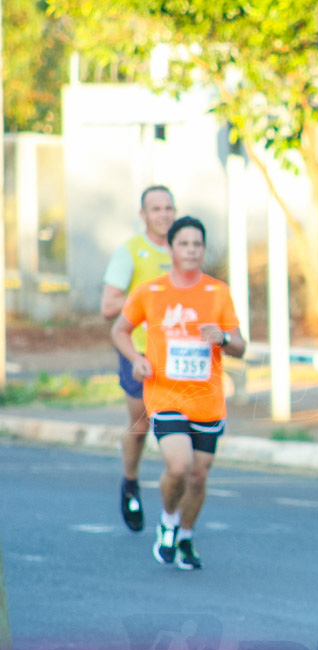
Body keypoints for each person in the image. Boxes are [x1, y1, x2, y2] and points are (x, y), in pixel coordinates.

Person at [111, 216, 246, 570]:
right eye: (184, 244)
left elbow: (241, 345)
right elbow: (120, 330)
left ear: (203, 250)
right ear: (171, 248)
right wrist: (135, 359)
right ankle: (168, 520)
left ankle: (184, 536)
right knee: (179, 465)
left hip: (207, 400)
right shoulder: (151, 292)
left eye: (197, 245)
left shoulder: (218, 293)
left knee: (199, 476)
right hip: (165, 395)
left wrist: (225, 339)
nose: (191, 250)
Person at [101, 185, 176, 532]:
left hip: (176, 353)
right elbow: (107, 307)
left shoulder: (182, 250)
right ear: (143, 215)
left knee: (180, 429)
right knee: (141, 426)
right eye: (156, 209)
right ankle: (130, 481)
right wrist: (145, 297)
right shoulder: (129, 253)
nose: (163, 215)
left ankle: (174, 507)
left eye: (168, 208)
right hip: (139, 351)